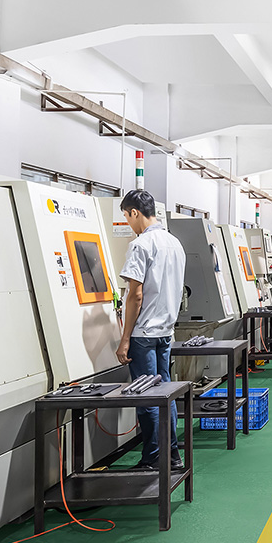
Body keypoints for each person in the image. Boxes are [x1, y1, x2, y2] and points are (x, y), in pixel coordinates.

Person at [114, 189, 187, 469]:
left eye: (126, 216)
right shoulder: (174, 243)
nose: (128, 223)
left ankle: (154, 458)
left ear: (134, 212)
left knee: (147, 398)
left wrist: (124, 339)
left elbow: (135, 295)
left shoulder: (141, 245)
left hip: (143, 333)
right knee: (165, 393)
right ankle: (172, 455)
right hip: (165, 332)